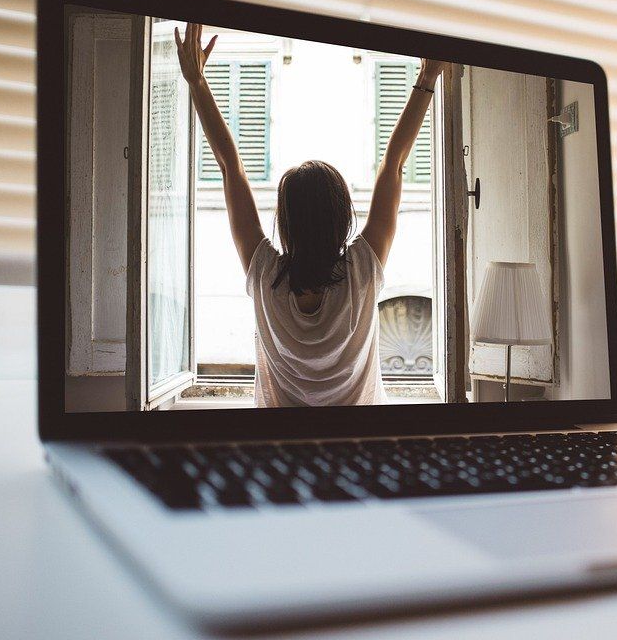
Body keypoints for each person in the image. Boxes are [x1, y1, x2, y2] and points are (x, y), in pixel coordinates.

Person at [174, 22, 445, 406]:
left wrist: (197, 82)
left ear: (285, 220)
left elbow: (229, 165)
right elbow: (395, 164)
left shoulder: (265, 274)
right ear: (342, 217)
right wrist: (427, 77)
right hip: (360, 455)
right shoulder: (362, 271)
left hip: (281, 457)